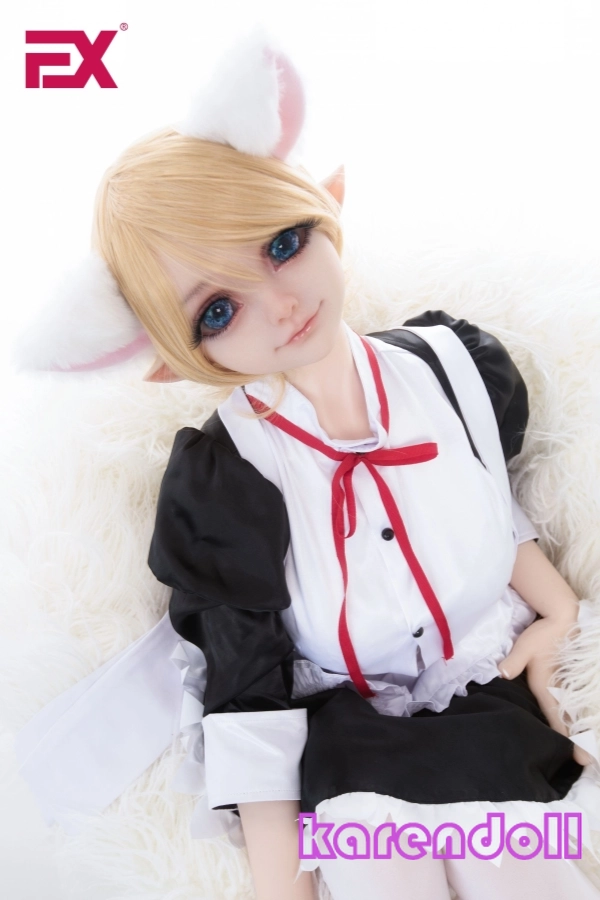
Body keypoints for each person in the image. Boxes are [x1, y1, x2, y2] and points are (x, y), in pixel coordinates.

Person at [13, 26, 600, 900]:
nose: (280, 304)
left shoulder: (458, 367)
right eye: (217, 311)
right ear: (178, 357)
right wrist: (279, 887)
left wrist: (556, 617)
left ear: (323, 205)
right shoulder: (227, 479)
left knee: (523, 871)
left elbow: (485, 507)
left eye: (281, 242)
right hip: (350, 740)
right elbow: (246, 689)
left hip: (492, 700)